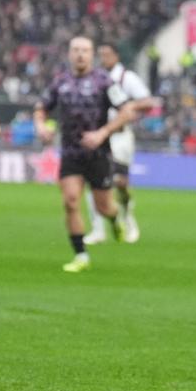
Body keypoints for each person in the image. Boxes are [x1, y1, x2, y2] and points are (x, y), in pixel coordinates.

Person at [33, 36, 137, 273]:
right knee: (70, 202)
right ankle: (81, 255)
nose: (80, 54)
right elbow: (41, 108)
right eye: (76, 50)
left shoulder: (104, 81)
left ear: (92, 55)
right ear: (70, 54)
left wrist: (102, 133)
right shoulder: (60, 82)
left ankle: (114, 220)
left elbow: (127, 111)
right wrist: (40, 126)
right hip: (71, 154)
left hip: (99, 154)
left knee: (104, 207)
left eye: (85, 50)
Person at [83, 43, 156, 244]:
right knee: (94, 180)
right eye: (101, 54)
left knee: (120, 182)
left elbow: (148, 102)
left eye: (106, 54)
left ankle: (128, 218)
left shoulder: (126, 77)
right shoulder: (95, 77)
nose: (103, 58)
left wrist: (127, 105)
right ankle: (98, 229)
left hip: (120, 136)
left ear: (116, 56)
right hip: (99, 134)